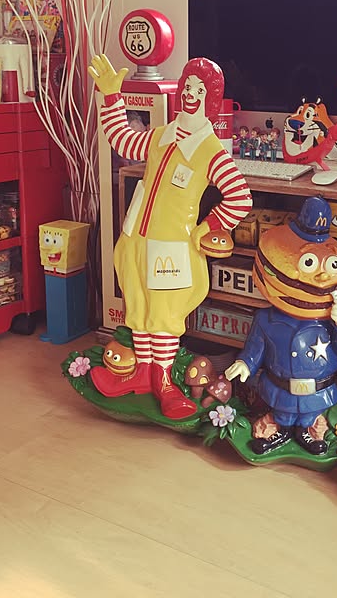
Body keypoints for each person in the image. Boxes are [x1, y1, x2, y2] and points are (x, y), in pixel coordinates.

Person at [87, 54, 252, 419]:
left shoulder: (210, 150)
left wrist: (206, 228)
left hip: (171, 249)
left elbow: (240, 197)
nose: (191, 94)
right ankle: (142, 374)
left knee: (162, 316)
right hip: (137, 241)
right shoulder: (163, 134)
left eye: (199, 90)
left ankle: (163, 381)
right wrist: (112, 97)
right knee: (140, 309)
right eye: (187, 86)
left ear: (210, 99)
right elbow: (123, 142)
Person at [225, 196, 337, 455]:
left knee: (309, 415)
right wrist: (245, 364)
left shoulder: (329, 319)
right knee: (282, 413)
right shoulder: (265, 319)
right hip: (280, 386)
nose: (321, 276)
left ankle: (306, 431)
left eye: (331, 266)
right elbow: (255, 349)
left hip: (316, 390)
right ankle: (282, 430)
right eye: (310, 263)